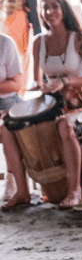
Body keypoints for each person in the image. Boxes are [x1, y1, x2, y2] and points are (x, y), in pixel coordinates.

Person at [9, 0, 82, 211]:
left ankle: (76, 190)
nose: (50, 11)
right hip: (52, 102)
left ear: (63, 8)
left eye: (54, 6)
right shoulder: (39, 41)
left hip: (79, 101)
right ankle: (25, 190)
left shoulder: (77, 38)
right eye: (45, 7)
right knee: (10, 125)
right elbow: (35, 82)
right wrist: (39, 88)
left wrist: (65, 81)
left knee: (65, 126)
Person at [0, 31, 24, 210]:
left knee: (5, 126)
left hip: (7, 101)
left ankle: (12, 177)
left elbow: (16, 84)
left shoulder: (5, 43)